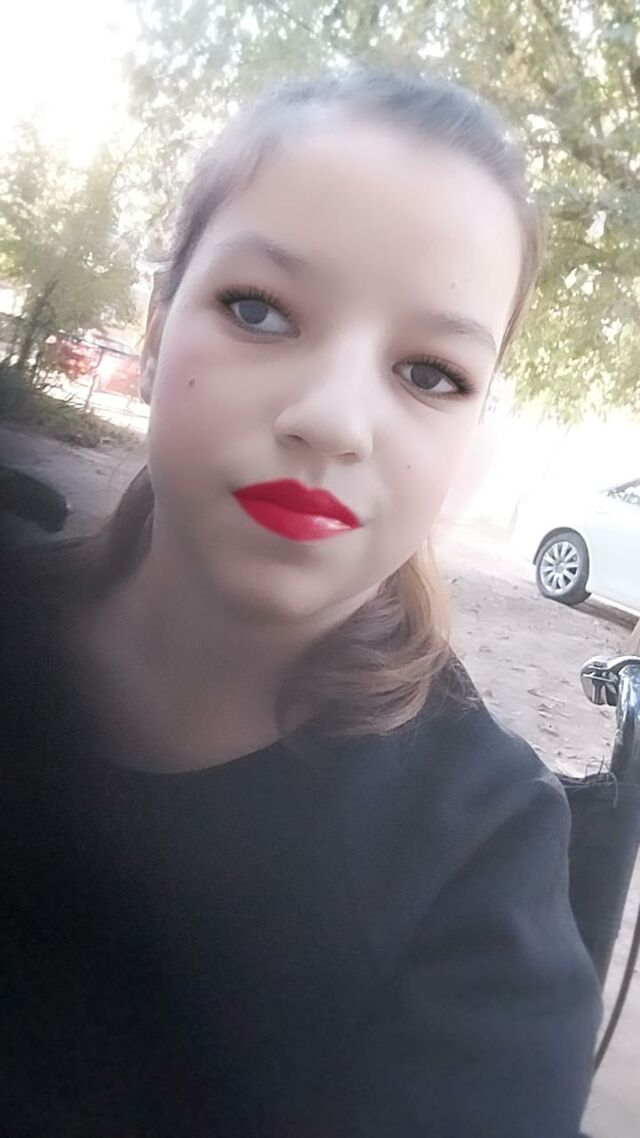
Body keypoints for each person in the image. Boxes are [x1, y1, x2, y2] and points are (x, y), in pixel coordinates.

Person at [0, 70, 602, 1137]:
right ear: (155, 327)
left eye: (429, 373)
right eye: (259, 310)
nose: (332, 419)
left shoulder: (477, 866)